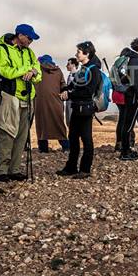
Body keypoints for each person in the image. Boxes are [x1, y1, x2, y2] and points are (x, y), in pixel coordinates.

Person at [0, 23, 42, 182]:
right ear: (20, 35)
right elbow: (5, 71)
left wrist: (33, 72)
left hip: (27, 97)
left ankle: (14, 169)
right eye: (29, 37)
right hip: (9, 96)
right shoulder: (2, 49)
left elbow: (38, 74)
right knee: (6, 133)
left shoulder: (30, 53)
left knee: (21, 135)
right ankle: (0, 171)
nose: (31, 41)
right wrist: (26, 71)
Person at [58, 42, 101, 178]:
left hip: (86, 109)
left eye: (79, 52)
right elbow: (73, 85)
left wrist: (69, 94)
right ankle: (71, 167)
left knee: (86, 139)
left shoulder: (93, 70)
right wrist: (65, 90)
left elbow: (89, 91)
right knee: (73, 137)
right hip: (77, 107)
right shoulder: (83, 69)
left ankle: (85, 169)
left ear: (87, 54)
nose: (76, 54)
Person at [117, 38, 138, 161]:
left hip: (131, 95)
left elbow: (127, 78)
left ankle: (126, 150)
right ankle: (125, 153)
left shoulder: (132, 59)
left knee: (127, 124)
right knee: (128, 125)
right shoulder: (135, 60)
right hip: (134, 97)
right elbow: (135, 80)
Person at [35, 55, 69, 153]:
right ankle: (66, 147)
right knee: (58, 124)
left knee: (41, 125)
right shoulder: (58, 71)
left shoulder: (38, 70)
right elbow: (63, 85)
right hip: (56, 102)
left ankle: (43, 149)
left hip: (40, 102)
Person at [64, 57, 78, 126]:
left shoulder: (76, 76)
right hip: (69, 101)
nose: (66, 66)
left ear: (73, 65)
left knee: (71, 121)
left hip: (73, 101)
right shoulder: (71, 75)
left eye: (68, 64)